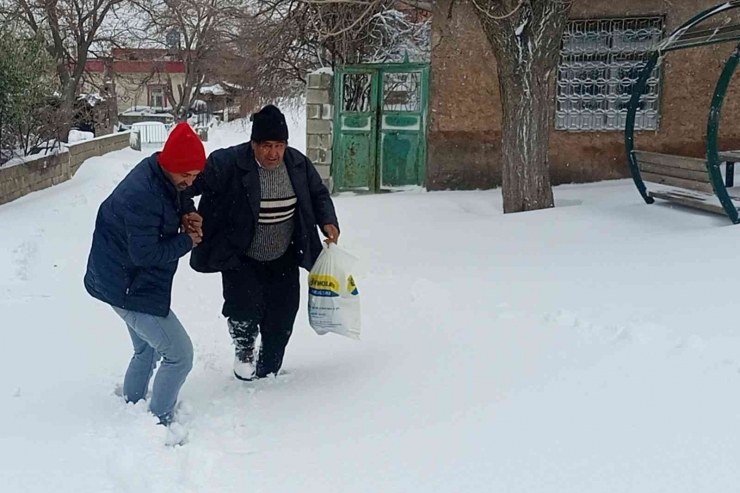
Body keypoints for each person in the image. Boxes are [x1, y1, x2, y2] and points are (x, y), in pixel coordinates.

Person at [181, 104, 339, 381]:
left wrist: (328, 221)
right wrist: (186, 212)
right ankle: (244, 350)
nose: (273, 153)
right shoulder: (226, 163)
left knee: (283, 315)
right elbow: (187, 184)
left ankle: (270, 368)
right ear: (253, 143)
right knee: (243, 308)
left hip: (284, 254)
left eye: (279, 145)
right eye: (266, 145)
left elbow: (318, 194)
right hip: (241, 254)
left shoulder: (297, 164)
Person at [84, 122, 206, 426]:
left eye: (195, 176)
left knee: (147, 350)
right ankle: (158, 419)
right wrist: (187, 241)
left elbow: (175, 196)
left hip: (121, 278)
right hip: (126, 286)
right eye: (186, 175)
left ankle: (133, 406)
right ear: (169, 165)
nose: (190, 182)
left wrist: (187, 211)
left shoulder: (161, 172)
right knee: (180, 355)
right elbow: (146, 254)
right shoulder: (142, 194)